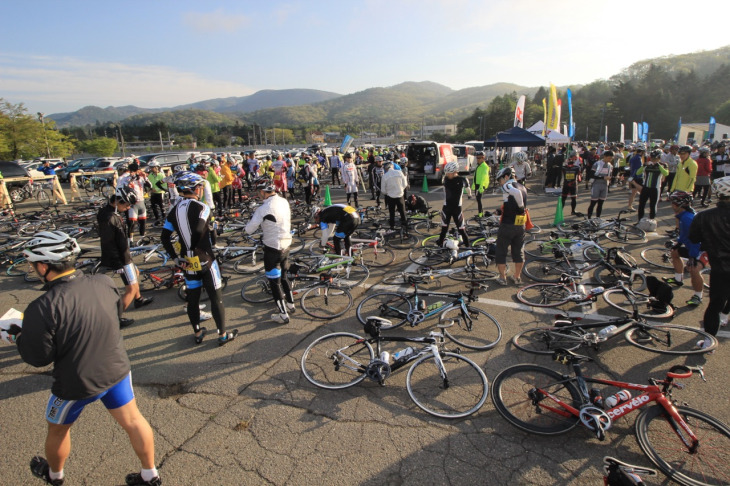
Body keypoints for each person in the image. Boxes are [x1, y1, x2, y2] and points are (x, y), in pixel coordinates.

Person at [13, 231, 161, 486]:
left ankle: (54, 475)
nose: (32, 269)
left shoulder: (42, 306)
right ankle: (150, 475)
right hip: (116, 369)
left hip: (77, 382)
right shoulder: (103, 281)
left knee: (57, 428)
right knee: (134, 420)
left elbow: (38, 357)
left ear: (44, 266)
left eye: (32, 264)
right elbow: (113, 314)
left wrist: (17, 337)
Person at [161, 171, 237, 346]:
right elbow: (198, 230)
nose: (202, 189)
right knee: (216, 297)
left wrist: (175, 257)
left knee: (192, 299)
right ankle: (222, 334)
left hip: (187, 261)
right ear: (194, 188)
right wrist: (195, 246)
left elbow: (165, 237)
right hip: (204, 258)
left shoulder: (173, 211)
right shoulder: (202, 207)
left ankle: (197, 332)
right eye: (200, 186)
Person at [97, 186, 153, 327]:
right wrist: (118, 263)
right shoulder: (111, 218)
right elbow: (109, 243)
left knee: (136, 273)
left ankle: (139, 299)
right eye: (127, 205)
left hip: (124, 254)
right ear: (117, 202)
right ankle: (116, 317)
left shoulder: (107, 212)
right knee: (131, 288)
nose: (128, 208)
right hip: (121, 259)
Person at [689, 176, 730, 349]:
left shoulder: (704, 216)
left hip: (719, 265)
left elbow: (693, 237)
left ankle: (708, 342)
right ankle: (725, 315)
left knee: (715, 303)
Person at [245, 182, 294, 324]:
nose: (258, 195)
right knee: (284, 277)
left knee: (274, 282)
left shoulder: (263, 208)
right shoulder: (283, 201)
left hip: (273, 248)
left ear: (263, 192)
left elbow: (249, 229)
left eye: (258, 192)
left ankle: (283, 314)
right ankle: (291, 304)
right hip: (286, 244)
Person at [662, 191, 705, 307]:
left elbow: (695, 240)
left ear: (679, 205)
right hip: (695, 247)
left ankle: (698, 296)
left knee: (694, 269)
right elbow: (685, 235)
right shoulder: (684, 216)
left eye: (673, 203)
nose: (672, 205)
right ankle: (678, 279)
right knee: (675, 252)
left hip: (703, 249)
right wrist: (678, 243)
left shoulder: (687, 218)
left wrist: (692, 257)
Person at [494, 166, 528, 286]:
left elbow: (516, 194)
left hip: (508, 225)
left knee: (501, 251)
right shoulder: (523, 187)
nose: (500, 183)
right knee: (518, 252)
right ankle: (517, 276)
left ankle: (503, 278)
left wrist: (520, 207)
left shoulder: (508, 185)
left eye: (500, 179)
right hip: (520, 225)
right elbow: (512, 201)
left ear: (506, 176)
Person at [436, 161, 471, 248]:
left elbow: (468, 189)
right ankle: (440, 245)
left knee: (461, 229)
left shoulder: (463, 180)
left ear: (455, 171)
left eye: (449, 173)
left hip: (457, 209)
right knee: (444, 229)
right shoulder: (445, 179)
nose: (447, 174)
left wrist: (469, 195)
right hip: (446, 208)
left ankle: (468, 246)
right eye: (446, 173)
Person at [117, 162, 148, 246]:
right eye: (136, 170)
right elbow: (123, 188)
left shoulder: (141, 178)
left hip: (141, 202)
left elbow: (149, 186)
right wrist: (132, 178)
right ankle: (130, 240)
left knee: (143, 222)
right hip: (133, 203)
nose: (138, 172)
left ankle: (142, 238)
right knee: (131, 223)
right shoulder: (126, 178)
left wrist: (145, 177)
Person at [636, 149, 669, 222]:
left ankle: (651, 221)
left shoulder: (663, 165)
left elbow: (666, 173)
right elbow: (638, 173)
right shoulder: (648, 165)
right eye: (652, 158)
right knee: (641, 205)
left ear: (659, 158)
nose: (653, 160)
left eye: (655, 158)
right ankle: (640, 221)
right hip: (646, 187)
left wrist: (659, 165)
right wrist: (644, 165)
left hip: (655, 188)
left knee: (653, 205)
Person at [380, 159, 408, 231]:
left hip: (391, 196)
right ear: (392, 166)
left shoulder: (385, 176)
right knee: (402, 212)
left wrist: (388, 192)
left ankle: (392, 227)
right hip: (400, 195)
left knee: (391, 213)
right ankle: (405, 228)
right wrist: (400, 189)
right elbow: (405, 184)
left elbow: (383, 190)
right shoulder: (399, 172)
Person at [586, 150, 613, 219]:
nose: (610, 159)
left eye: (611, 158)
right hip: (596, 184)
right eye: (609, 158)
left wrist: (613, 178)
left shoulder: (610, 165)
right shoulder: (597, 164)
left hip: (605, 185)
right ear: (605, 156)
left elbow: (609, 176)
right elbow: (591, 174)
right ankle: (589, 218)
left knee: (601, 203)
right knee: (593, 202)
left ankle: (598, 218)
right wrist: (603, 177)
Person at [146, 161, 166, 226]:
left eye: (152, 167)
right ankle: (157, 220)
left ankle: (165, 219)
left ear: (156, 167)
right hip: (153, 193)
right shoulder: (150, 175)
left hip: (160, 193)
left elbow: (164, 186)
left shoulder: (162, 175)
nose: (151, 169)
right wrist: (149, 189)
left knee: (162, 207)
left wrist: (157, 189)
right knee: (154, 207)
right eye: (151, 167)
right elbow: (148, 184)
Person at [471, 152, 490, 216]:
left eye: (479, 158)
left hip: (481, 185)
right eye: (477, 158)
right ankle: (480, 213)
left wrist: (481, 186)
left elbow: (484, 178)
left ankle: (480, 214)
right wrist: (474, 184)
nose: (478, 159)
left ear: (483, 158)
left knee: (479, 199)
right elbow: (475, 176)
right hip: (477, 184)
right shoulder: (478, 166)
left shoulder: (484, 166)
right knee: (478, 199)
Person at [626, 146, 644, 212]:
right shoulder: (639, 158)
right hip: (638, 177)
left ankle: (629, 206)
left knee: (633, 193)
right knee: (642, 192)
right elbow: (639, 168)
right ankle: (641, 206)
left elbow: (630, 166)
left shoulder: (632, 158)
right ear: (641, 152)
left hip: (632, 176)